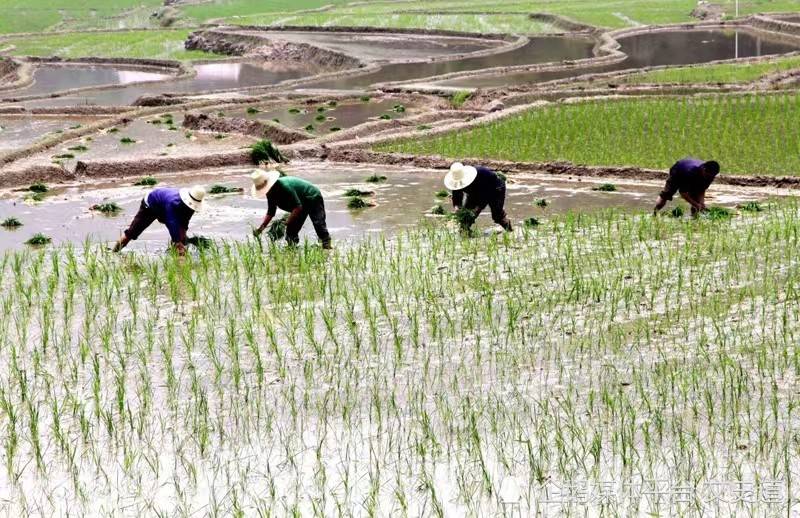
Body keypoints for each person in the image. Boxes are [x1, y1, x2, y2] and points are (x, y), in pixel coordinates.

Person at [113, 185, 205, 255]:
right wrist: (178, 243)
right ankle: (114, 253)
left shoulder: (191, 207)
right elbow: (171, 222)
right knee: (131, 233)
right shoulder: (172, 203)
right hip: (150, 205)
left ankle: (173, 254)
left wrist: (183, 236)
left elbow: (185, 221)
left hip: (165, 206)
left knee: (181, 237)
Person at [251, 170, 332, 249]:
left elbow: (298, 207)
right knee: (291, 232)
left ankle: (326, 245)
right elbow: (271, 212)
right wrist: (261, 228)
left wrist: (286, 222)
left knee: (318, 223)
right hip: (299, 203)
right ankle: (292, 247)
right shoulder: (270, 193)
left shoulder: (285, 187)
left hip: (312, 196)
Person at [445, 162, 512, 231]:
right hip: (475, 192)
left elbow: (485, 195)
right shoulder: (455, 180)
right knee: (465, 219)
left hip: (495, 188)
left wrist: (477, 209)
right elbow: (456, 194)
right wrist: (457, 207)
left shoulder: (478, 175)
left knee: (497, 216)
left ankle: (510, 232)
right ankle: (466, 235)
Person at [653, 158, 720, 217]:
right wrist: (696, 205)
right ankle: (655, 213)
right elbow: (683, 193)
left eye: (712, 176)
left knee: (696, 199)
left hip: (690, 171)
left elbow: (702, 189)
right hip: (678, 171)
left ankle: (694, 218)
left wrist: (701, 203)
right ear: (704, 170)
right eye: (708, 176)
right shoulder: (690, 172)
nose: (710, 178)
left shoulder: (710, 176)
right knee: (667, 194)